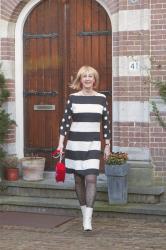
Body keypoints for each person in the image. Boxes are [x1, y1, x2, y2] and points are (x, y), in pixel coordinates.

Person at [57, 65, 111, 231]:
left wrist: (107, 145)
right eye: (84, 76)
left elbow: (106, 124)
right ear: (80, 80)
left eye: (91, 76)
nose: (88, 79)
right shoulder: (73, 98)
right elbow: (65, 123)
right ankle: (84, 212)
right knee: (78, 179)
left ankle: (88, 219)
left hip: (93, 143)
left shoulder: (102, 98)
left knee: (91, 178)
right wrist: (60, 144)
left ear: (95, 80)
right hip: (74, 143)